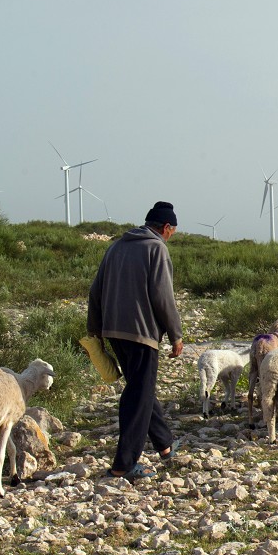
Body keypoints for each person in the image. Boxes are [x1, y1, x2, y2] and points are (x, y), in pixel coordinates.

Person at [87, 201, 185, 480]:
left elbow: (95, 291)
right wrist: (175, 334)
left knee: (141, 388)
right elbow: (163, 297)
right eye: (173, 231)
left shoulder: (116, 247)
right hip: (141, 334)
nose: (172, 236)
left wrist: (95, 329)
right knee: (138, 396)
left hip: (113, 330)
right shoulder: (156, 249)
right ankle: (124, 464)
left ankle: (164, 445)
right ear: (166, 227)